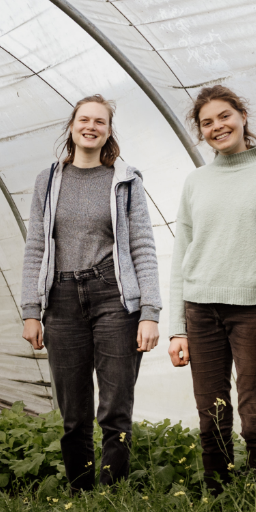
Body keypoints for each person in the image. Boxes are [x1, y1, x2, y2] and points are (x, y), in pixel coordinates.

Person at [164, 85, 256, 494]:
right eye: (207, 123)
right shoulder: (196, 182)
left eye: (224, 116)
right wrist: (177, 328)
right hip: (200, 311)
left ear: (242, 115)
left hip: (255, 312)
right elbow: (181, 257)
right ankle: (219, 501)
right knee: (211, 414)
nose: (217, 127)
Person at [19, 95, 161, 490]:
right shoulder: (48, 180)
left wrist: (149, 310)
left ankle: (113, 492)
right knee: (73, 410)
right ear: (72, 126)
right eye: (85, 119)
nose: (91, 126)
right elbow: (36, 246)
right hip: (61, 300)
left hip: (113, 296)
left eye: (100, 121)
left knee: (115, 408)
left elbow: (142, 247)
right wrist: (32, 308)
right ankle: (80, 491)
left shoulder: (125, 180)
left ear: (109, 131)